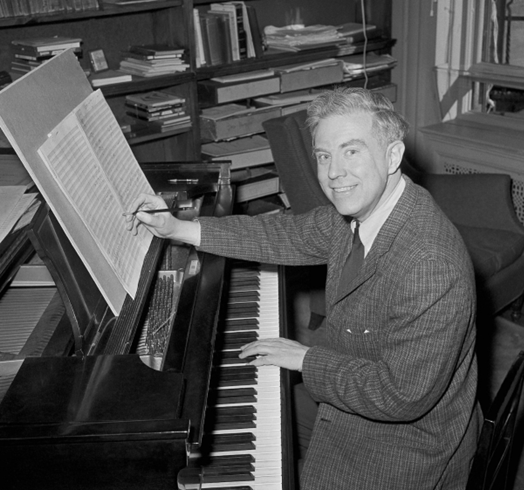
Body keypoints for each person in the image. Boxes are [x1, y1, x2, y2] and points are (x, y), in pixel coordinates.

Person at [125, 87, 482, 489]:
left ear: (393, 155)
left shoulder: (429, 265)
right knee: (249, 413)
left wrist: (306, 359)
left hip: (406, 446)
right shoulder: (370, 208)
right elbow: (286, 234)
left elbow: (400, 396)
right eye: (324, 156)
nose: (333, 173)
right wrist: (179, 228)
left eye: (352, 151)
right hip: (364, 377)